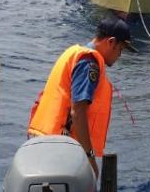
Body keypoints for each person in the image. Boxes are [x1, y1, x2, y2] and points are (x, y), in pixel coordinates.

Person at [28, 17, 133, 176]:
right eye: (120, 49)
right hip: (59, 146)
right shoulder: (89, 63)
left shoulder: (74, 53)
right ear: (111, 42)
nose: (120, 55)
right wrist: (89, 158)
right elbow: (77, 112)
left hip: (45, 139)